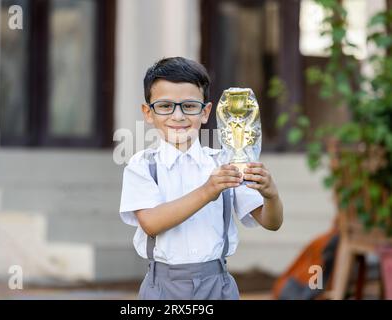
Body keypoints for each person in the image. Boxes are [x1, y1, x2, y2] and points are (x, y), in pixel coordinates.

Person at [119, 57, 283, 300]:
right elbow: (151, 223)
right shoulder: (142, 165)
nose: (178, 116)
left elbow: (271, 222)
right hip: (162, 287)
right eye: (165, 106)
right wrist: (207, 191)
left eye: (189, 106)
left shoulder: (226, 163)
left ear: (206, 112)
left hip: (218, 285)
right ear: (148, 113)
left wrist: (271, 195)